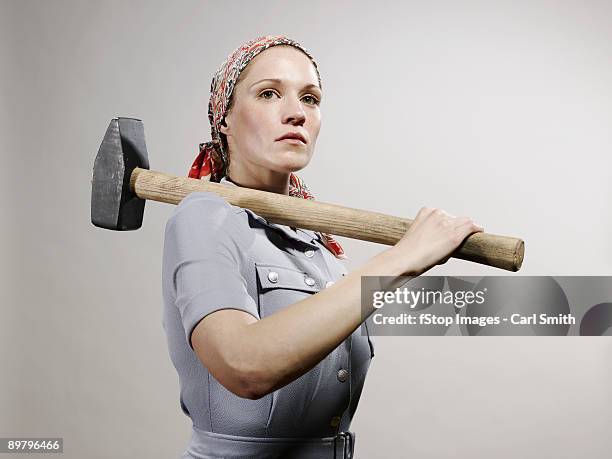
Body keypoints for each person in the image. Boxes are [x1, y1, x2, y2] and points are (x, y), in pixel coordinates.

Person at [162, 35, 484, 459]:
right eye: (269, 93)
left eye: (310, 99)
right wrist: (403, 257)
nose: (296, 113)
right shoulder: (205, 217)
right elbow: (243, 365)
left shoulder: (318, 247)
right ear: (224, 116)